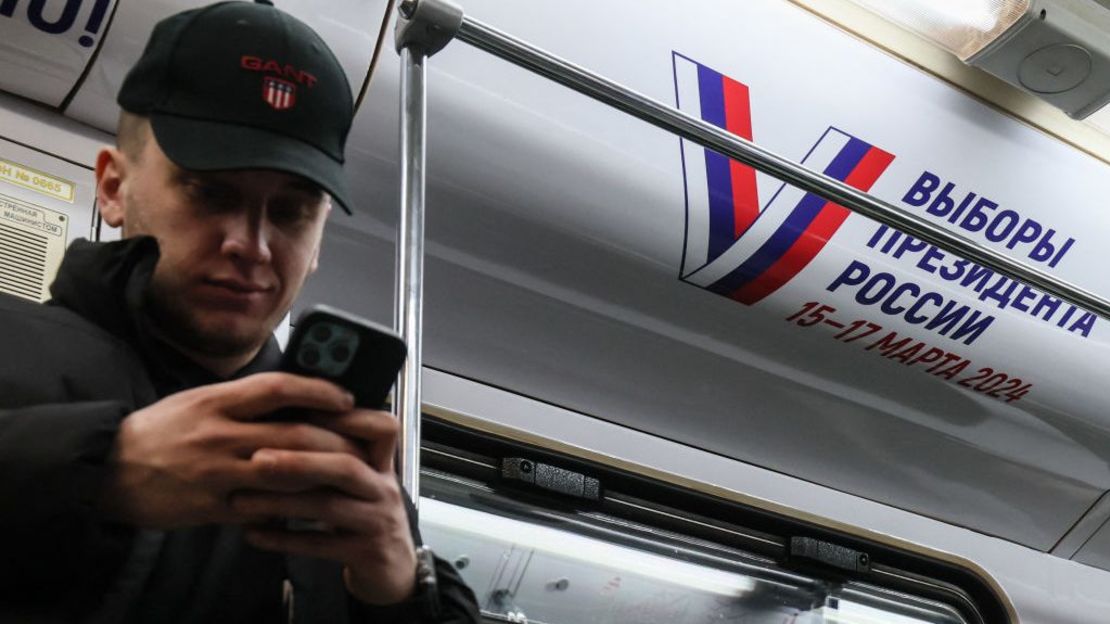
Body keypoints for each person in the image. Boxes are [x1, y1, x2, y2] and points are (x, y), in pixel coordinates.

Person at [0, 1, 481, 622]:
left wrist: (399, 593)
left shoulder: (336, 474)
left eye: (290, 212)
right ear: (114, 187)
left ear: (318, 239)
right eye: (210, 191)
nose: (251, 245)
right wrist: (99, 471)